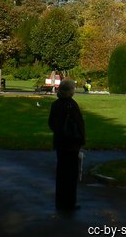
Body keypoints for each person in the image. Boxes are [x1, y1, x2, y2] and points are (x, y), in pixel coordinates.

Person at [48, 79, 85, 211]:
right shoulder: (71, 105)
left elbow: (52, 123)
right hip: (72, 143)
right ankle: (69, 202)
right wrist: (81, 140)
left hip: (60, 143)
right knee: (71, 175)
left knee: (61, 173)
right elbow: (79, 124)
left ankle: (60, 201)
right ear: (70, 91)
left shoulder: (56, 104)